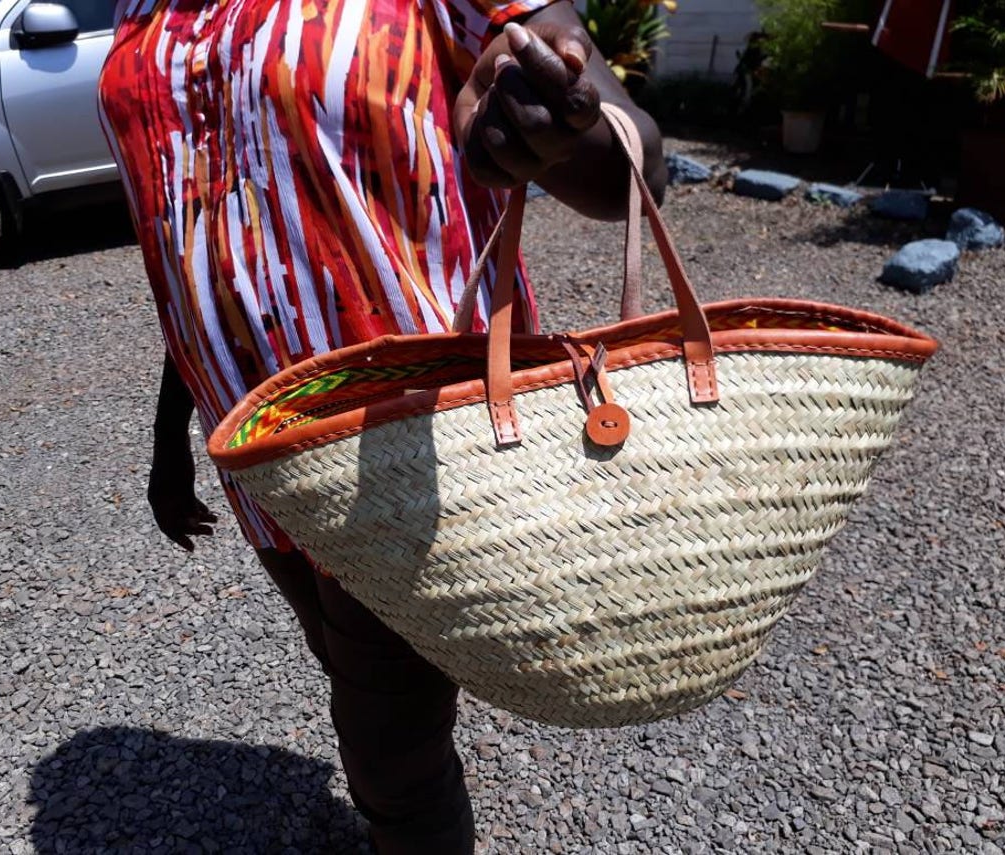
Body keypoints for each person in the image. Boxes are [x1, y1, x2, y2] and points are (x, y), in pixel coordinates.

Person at [99, 0, 667, 851]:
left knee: (389, 755)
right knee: (353, 664)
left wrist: (550, 125)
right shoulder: (140, 8)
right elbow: (192, 229)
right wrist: (167, 434)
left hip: (401, 445)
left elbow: (632, 160)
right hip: (255, 446)